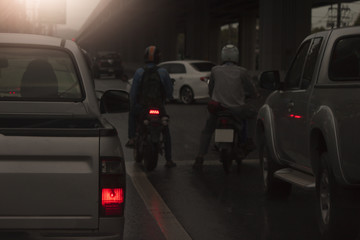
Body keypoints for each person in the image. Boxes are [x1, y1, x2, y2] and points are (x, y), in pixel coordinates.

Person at [193, 44, 259, 170]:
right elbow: (251, 89)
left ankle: (200, 157)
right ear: (236, 57)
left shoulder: (215, 70)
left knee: (207, 131)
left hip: (218, 109)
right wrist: (255, 95)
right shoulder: (242, 71)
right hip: (237, 110)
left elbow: (211, 89)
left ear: (222, 56)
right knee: (253, 114)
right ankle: (249, 140)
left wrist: (214, 97)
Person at [126, 45, 176, 168]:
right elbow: (169, 92)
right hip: (159, 107)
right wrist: (169, 98)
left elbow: (133, 93)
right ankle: (169, 159)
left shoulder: (139, 72)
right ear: (158, 58)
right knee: (165, 130)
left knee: (132, 113)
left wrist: (133, 103)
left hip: (143, 108)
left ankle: (132, 138)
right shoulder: (163, 72)